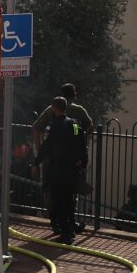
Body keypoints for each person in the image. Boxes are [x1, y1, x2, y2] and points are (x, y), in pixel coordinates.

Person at [36, 95, 88, 243]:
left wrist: (36, 162)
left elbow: (46, 146)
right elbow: (81, 143)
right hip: (72, 170)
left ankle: (66, 234)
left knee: (59, 202)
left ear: (54, 108)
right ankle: (71, 228)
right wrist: (83, 163)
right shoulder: (74, 125)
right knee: (69, 201)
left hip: (58, 170)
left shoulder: (53, 126)